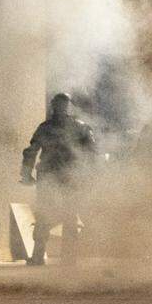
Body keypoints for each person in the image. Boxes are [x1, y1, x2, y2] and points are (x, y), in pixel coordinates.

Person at [20, 93, 97, 266]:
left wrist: (26, 173)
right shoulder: (79, 127)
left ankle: (47, 256)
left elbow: (31, 151)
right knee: (62, 215)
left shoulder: (49, 127)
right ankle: (61, 257)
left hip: (60, 175)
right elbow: (92, 153)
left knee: (55, 215)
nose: (61, 108)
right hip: (62, 176)